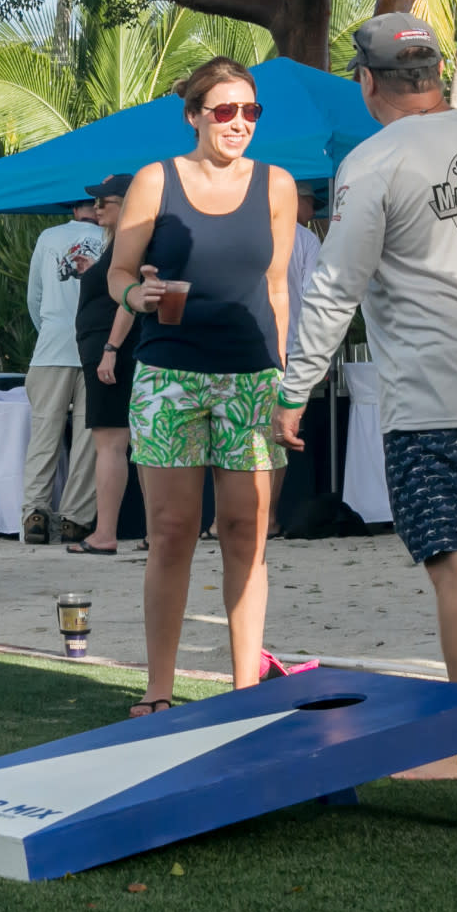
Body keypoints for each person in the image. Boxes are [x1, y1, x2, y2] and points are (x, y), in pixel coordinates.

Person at [275, 19, 457, 749]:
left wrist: (294, 387)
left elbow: (337, 284)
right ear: (433, 72)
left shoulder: (374, 161)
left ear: (366, 81)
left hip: (433, 392)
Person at [113, 61, 300, 706]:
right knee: (171, 529)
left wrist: (284, 380)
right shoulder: (155, 180)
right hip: (169, 375)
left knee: (246, 531)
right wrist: (139, 293)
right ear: (194, 115)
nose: (239, 124)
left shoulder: (277, 185)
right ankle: (159, 690)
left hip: (251, 376)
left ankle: (245, 687)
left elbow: (277, 288)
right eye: (225, 112)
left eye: (250, 112)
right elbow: (118, 273)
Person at [19, 194, 107, 544]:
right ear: (100, 209)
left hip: (52, 348)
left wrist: (50, 331)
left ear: (73, 209)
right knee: (89, 439)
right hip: (98, 349)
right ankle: (75, 517)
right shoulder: (113, 239)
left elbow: (34, 298)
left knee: (44, 434)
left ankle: (35, 514)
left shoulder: (48, 238)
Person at [68, 174, 138, 557]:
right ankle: (115, 530)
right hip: (105, 347)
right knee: (118, 442)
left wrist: (111, 347)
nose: (95, 209)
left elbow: (129, 300)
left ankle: (106, 531)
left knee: (110, 442)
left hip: (112, 350)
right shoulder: (120, 245)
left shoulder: (132, 241)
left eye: (104, 202)